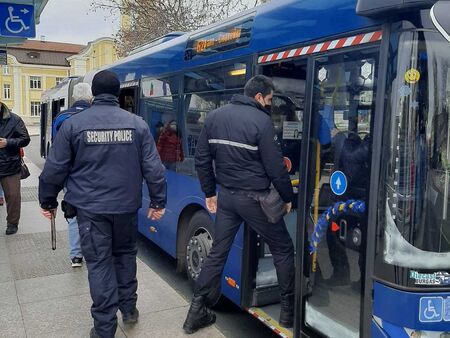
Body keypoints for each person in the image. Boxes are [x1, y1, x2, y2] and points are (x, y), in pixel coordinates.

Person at [39, 70, 167, 338]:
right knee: (124, 256)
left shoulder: (74, 125)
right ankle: (129, 310)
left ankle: (105, 328)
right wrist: (158, 200)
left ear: (94, 93)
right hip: (126, 209)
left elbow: (54, 168)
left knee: (99, 264)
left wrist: (47, 200)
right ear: (118, 92)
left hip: (91, 210)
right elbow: (154, 168)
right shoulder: (138, 125)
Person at [183, 75, 295, 334]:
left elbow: (201, 159)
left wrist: (210, 192)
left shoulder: (214, 117)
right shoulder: (262, 122)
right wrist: (288, 198)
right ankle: (288, 313)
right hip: (255, 199)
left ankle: (195, 313)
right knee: (283, 248)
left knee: (218, 252)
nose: (269, 105)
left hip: (227, 198)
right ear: (258, 97)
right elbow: (277, 169)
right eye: (268, 100)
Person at [52, 83, 93, 268]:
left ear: (74, 98)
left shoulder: (61, 117)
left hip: (71, 177)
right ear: (90, 98)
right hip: (93, 175)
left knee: (73, 214)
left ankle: (76, 255)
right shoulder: (95, 116)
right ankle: (93, 251)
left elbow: (56, 152)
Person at [0, 101, 30, 235]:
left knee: (13, 196)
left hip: (9, 165)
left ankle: (12, 223)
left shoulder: (14, 119)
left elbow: (25, 139)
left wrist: (8, 142)